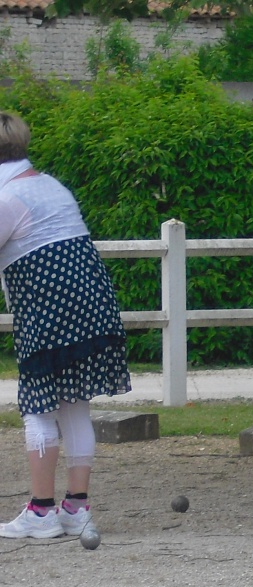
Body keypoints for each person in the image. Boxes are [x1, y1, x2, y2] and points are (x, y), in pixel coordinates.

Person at [0, 111, 130, 541]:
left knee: (39, 408)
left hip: (49, 306)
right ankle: (76, 507)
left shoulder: (6, 199)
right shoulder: (50, 184)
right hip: (92, 301)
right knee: (74, 406)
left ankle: (41, 512)